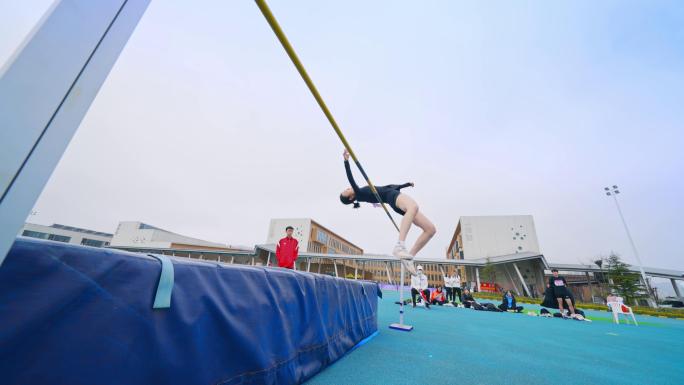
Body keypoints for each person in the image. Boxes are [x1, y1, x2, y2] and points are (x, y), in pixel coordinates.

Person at [340, 149, 436, 275]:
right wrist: (346, 161)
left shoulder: (362, 194)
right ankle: (400, 245)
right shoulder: (359, 193)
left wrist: (406, 184)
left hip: (392, 196)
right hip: (392, 197)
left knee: (430, 229)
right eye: (346, 191)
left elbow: (388, 186)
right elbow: (351, 179)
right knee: (413, 206)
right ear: (351, 198)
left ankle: (409, 258)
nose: (348, 188)